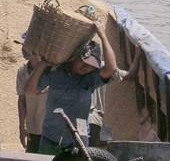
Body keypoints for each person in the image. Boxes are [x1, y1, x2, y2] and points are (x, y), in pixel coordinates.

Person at [25, 22, 117, 156]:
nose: (87, 68)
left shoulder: (90, 79)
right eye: (84, 62)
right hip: (50, 139)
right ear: (74, 57)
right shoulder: (55, 72)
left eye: (91, 66)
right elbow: (30, 90)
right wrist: (41, 65)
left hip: (77, 142)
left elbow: (111, 68)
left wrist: (103, 36)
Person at [88, 46, 142, 146]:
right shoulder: (105, 68)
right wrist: (138, 54)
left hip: (85, 118)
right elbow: (130, 75)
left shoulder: (75, 66)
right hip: (93, 119)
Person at [17, 46, 48, 153]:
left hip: (48, 130)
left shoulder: (50, 70)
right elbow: (21, 100)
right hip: (32, 128)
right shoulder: (22, 71)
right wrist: (22, 126)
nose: (23, 49)